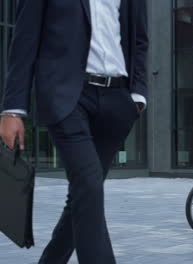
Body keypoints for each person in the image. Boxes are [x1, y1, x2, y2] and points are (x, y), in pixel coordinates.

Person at [0, 0, 148, 263]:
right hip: (66, 97)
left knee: (84, 193)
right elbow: (24, 39)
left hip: (117, 99)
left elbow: (139, 39)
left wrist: (137, 95)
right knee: (89, 186)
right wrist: (13, 109)